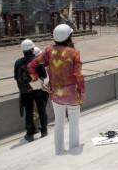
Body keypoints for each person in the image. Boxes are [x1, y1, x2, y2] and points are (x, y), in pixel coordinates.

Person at [28, 24, 85, 155]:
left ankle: (59, 151)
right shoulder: (74, 53)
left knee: (59, 124)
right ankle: (73, 149)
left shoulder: (48, 51)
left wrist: (38, 80)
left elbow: (31, 66)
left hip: (55, 94)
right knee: (74, 123)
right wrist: (82, 92)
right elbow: (79, 75)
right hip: (72, 94)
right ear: (68, 37)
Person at [14, 39, 48, 141]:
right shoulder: (38, 60)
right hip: (38, 90)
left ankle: (30, 133)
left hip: (26, 91)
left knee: (29, 111)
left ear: (23, 51)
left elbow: (16, 77)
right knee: (41, 110)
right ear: (32, 49)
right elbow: (44, 75)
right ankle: (44, 131)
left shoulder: (18, 62)